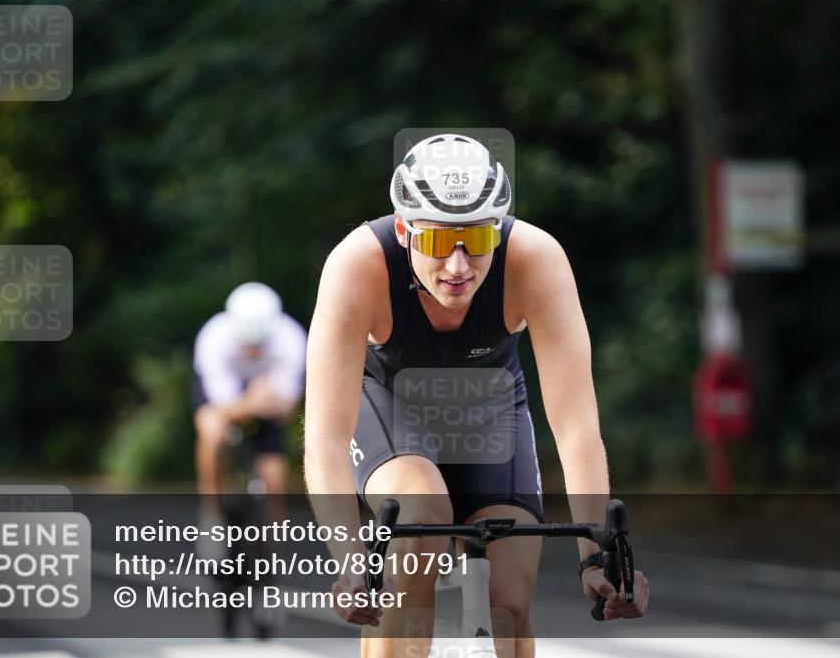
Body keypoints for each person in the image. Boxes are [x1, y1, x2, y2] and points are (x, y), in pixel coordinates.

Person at [304, 134, 649, 658]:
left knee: (508, 606)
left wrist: (596, 556)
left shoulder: (535, 258)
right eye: (440, 243)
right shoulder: (357, 266)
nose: (459, 266)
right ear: (404, 230)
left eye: (477, 241)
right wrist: (353, 563)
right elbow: (326, 439)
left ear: (498, 232)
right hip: (390, 406)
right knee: (419, 516)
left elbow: (577, 427)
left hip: (489, 410)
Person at [193, 282, 307, 520]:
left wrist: (269, 402)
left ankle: (271, 542)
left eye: (260, 346)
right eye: (248, 346)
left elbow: (287, 408)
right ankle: (212, 511)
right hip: (229, 397)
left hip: (267, 398)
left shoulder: (292, 338)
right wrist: (251, 403)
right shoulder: (214, 337)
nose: (254, 353)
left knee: (274, 476)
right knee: (212, 429)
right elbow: (221, 407)